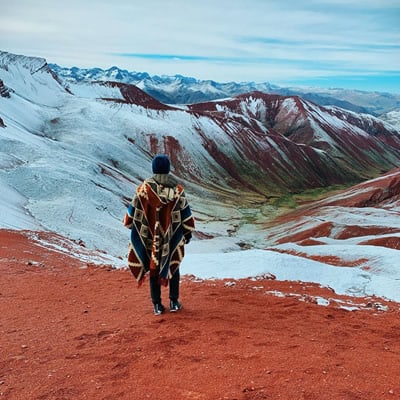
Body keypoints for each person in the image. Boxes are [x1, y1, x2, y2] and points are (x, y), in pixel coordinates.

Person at [123, 154, 195, 315]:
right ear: (168, 168)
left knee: (153, 267)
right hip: (171, 239)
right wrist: (187, 233)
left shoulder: (142, 190)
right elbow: (185, 215)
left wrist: (137, 229)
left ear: (154, 169)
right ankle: (174, 302)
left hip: (149, 238)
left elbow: (131, 217)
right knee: (173, 266)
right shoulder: (177, 191)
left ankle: (157, 305)